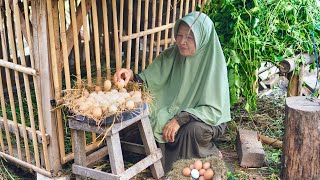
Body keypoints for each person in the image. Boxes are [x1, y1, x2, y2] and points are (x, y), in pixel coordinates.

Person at [113, 11, 231, 173]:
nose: (182, 42)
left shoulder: (214, 65)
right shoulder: (172, 54)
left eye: (189, 37)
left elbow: (214, 110)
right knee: (136, 126)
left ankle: (206, 154)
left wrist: (180, 119)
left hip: (207, 118)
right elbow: (148, 81)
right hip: (171, 109)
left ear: (202, 38)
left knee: (193, 131)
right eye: (179, 35)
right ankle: (177, 158)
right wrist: (130, 75)